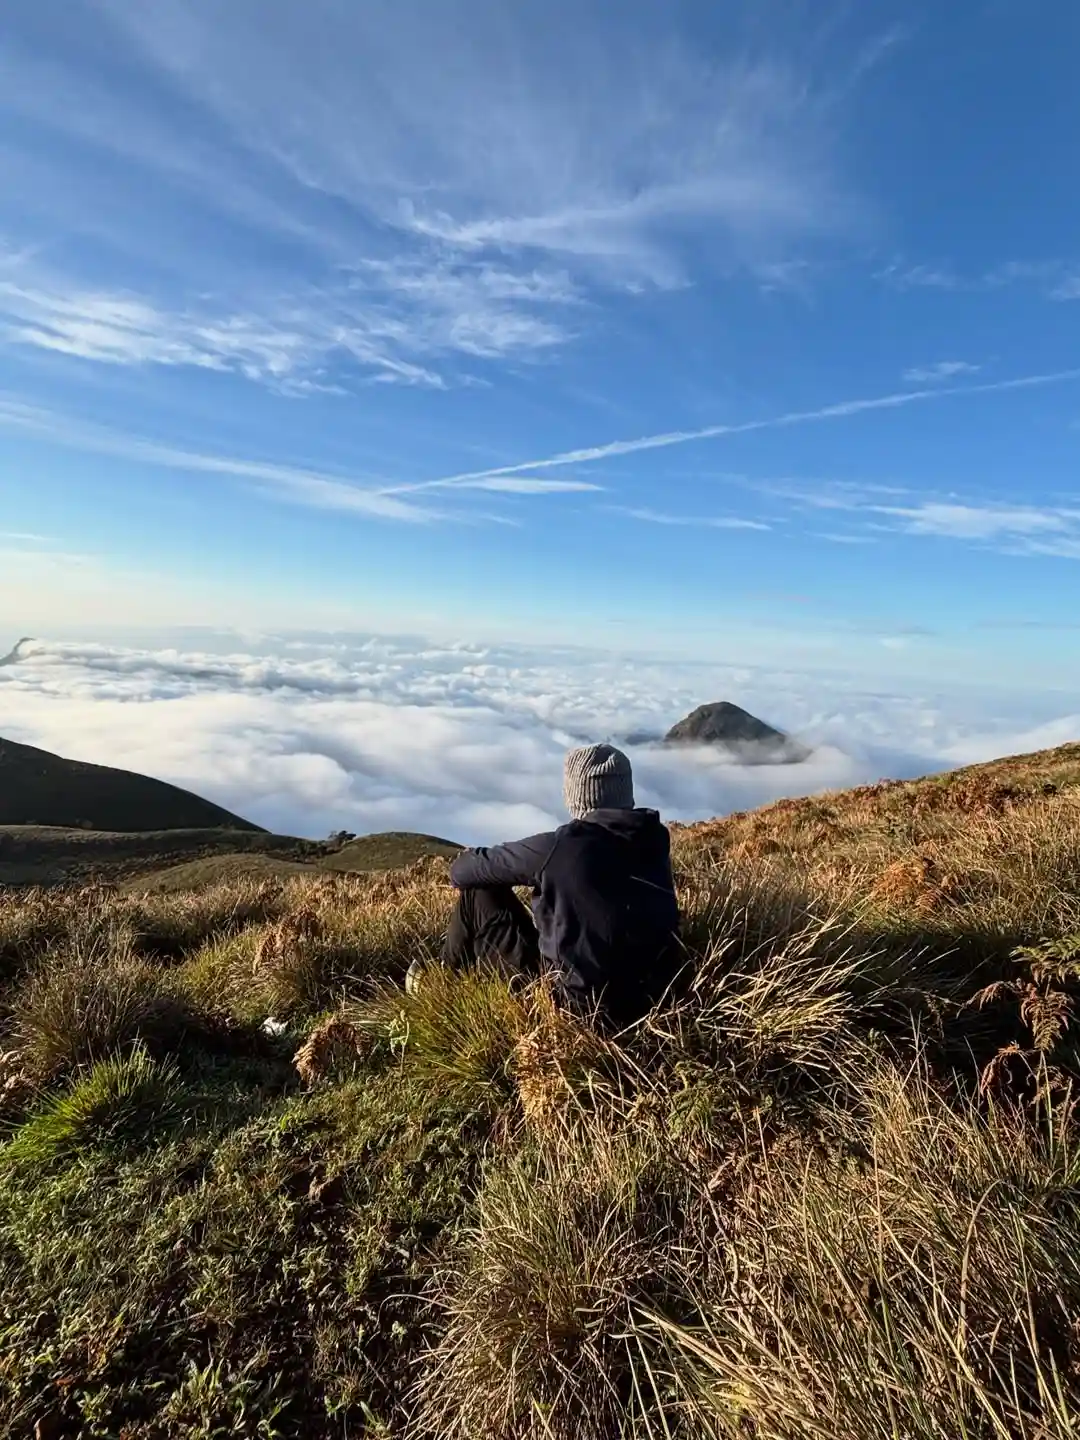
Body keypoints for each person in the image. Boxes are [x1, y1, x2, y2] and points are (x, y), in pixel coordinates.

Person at [407, 744, 682, 1028]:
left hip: (575, 1013)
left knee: (478, 893)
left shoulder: (559, 848)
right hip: (654, 1002)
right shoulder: (655, 838)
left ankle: (438, 986)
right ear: (627, 792)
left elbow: (462, 871)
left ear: (575, 794)